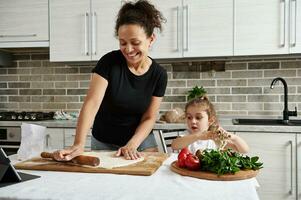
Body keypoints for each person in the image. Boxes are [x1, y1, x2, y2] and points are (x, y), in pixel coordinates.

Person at [54, 0, 167, 161]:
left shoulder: (159, 74)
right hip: (104, 141)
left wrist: (132, 144)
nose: (128, 49)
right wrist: (79, 144)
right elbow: (92, 103)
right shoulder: (109, 62)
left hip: (140, 141)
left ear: (151, 39)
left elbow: (149, 117)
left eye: (135, 43)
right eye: (123, 43)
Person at [171, 96, 249, 154]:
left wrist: (232, 137)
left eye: (198, 117)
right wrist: (198, 136)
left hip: (209, 174)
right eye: (189, 117)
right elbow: (174, 145)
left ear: (210, 121)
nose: (193, 121)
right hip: (187, 173)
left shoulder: (214, 138)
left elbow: (244, 150)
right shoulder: (186, 135)